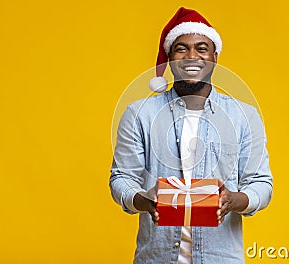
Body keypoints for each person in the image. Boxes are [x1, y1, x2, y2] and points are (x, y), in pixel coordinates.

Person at [109, 7, 273, 264]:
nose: (192, 56)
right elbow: (121, 179)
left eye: (202, 48)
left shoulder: (244, 115)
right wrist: (144, 200)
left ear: (214, 57)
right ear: (169, 57)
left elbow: (261, 184)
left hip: (221, 258)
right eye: (181, 48)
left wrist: (233, 200)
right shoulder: (140, 113)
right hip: (157, 257)